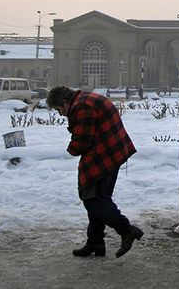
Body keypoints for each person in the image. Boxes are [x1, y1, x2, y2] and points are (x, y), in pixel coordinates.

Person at [47, 86, 143, 258]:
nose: (60, 114)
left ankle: (126, 230)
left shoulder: (82, 107)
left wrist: (71, 148)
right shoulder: (86, 99)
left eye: (58, 109)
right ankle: (95, 242)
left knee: (94, 200)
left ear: (64, 102)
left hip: (104, 156)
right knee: (98, 198)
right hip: (112, 152)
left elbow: (81, 142)